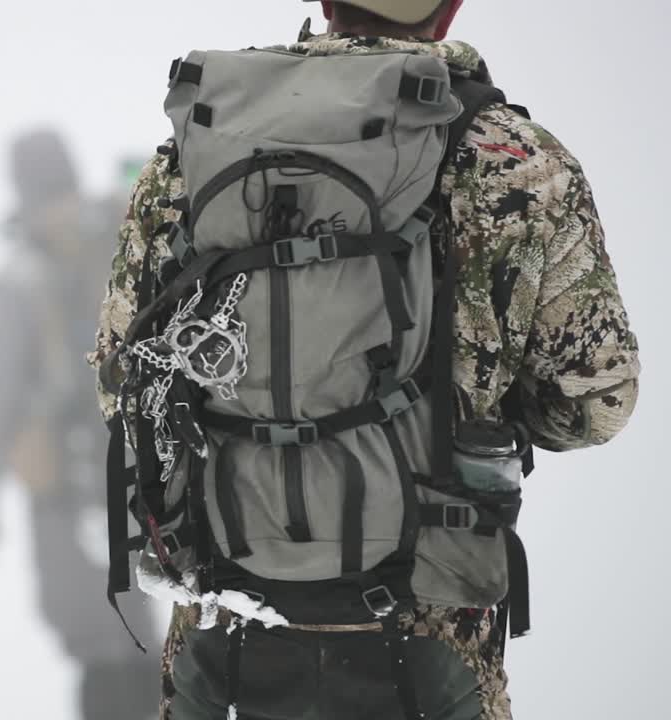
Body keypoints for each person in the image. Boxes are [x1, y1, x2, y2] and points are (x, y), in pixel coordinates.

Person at [88, 2, 641, 719]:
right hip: (429, 625)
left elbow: (118, 376)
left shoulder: (196, 148)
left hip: (222, 623)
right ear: (446, 11)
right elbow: (596, 401)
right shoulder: (513, 160)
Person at [0, 130, 159, 720]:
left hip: (133, 454)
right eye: (42, 195)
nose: (54, 208)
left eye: (59, 190)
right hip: (56, 468)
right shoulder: (21, 276)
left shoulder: (121, 236)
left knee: (149, 614)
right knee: (81, 619)